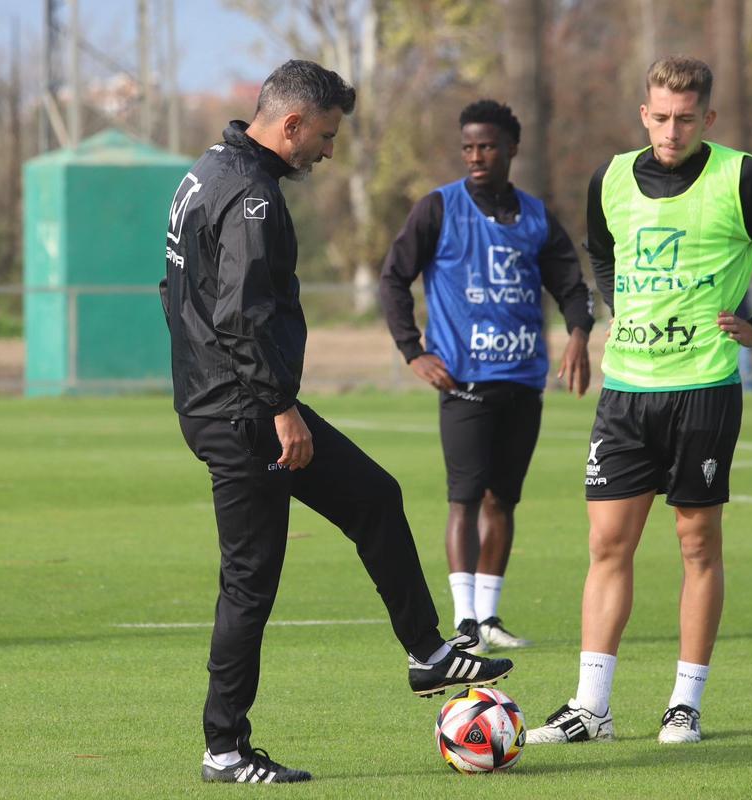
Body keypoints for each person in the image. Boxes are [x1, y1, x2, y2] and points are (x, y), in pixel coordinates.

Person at [160, 60, 513, 785]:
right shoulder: (251, 196)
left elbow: (177, 289)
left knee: (374, 496)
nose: (326, 151)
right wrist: (280, 407)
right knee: (249, 585)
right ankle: (224, 749)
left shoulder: (206, 171)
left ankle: (427, 653)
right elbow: (242, 312)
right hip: (245, 411)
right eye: (322, 136)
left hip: (228, 397)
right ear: (290, 124)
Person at [527, 55, 752, 746]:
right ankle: (591, 709)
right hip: (625, 391)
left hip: (702, 389)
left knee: (696, 544)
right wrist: (619, 305)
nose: (672, 131)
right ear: (644, 113)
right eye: (661, 117)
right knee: (607, 543)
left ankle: (684, 706)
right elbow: (600, 251)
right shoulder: (610, 176)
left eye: (686, 119)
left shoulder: (743, 176)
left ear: (709, 118)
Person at [379, 100, 594, 654]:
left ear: (512, 149)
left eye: (488, 146)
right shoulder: (438, 209)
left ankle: (491, 615)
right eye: (468, 146)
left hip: (523, 379)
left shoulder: (537, 218)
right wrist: (413, 351)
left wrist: (577, 334)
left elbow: (571, 285)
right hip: (464, 382)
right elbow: (393, 280)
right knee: (464, 500)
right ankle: (466, 621)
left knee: (504, 501)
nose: (477, 156)